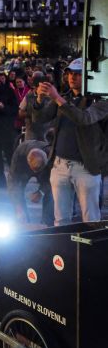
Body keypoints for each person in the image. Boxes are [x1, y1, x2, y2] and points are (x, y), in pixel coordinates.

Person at [33, 58, 108, 226]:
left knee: (91, 220)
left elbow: (84, 118)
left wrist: (57, 97)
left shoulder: (101, 101)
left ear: (89, 76)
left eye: (78, 74)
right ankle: (62, 252)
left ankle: (90, 252)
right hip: (60, 165)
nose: (72, 77)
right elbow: (40, 118)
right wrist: (38, 99)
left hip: (86, 168)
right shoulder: (64, 97)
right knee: (61, 220)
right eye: (70, 73)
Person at [8, 140, 54, 226]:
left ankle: (47, 224)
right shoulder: (20, 154)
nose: (35, 173)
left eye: (37, 171)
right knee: (18, 188)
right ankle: (23, 221)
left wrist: (41, 192)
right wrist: (18, 207)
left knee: (52, 193)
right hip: (24, 165)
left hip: (46, 171)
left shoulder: (52, 155)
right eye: (33, 170)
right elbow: (13, 182)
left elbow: (52, 181)